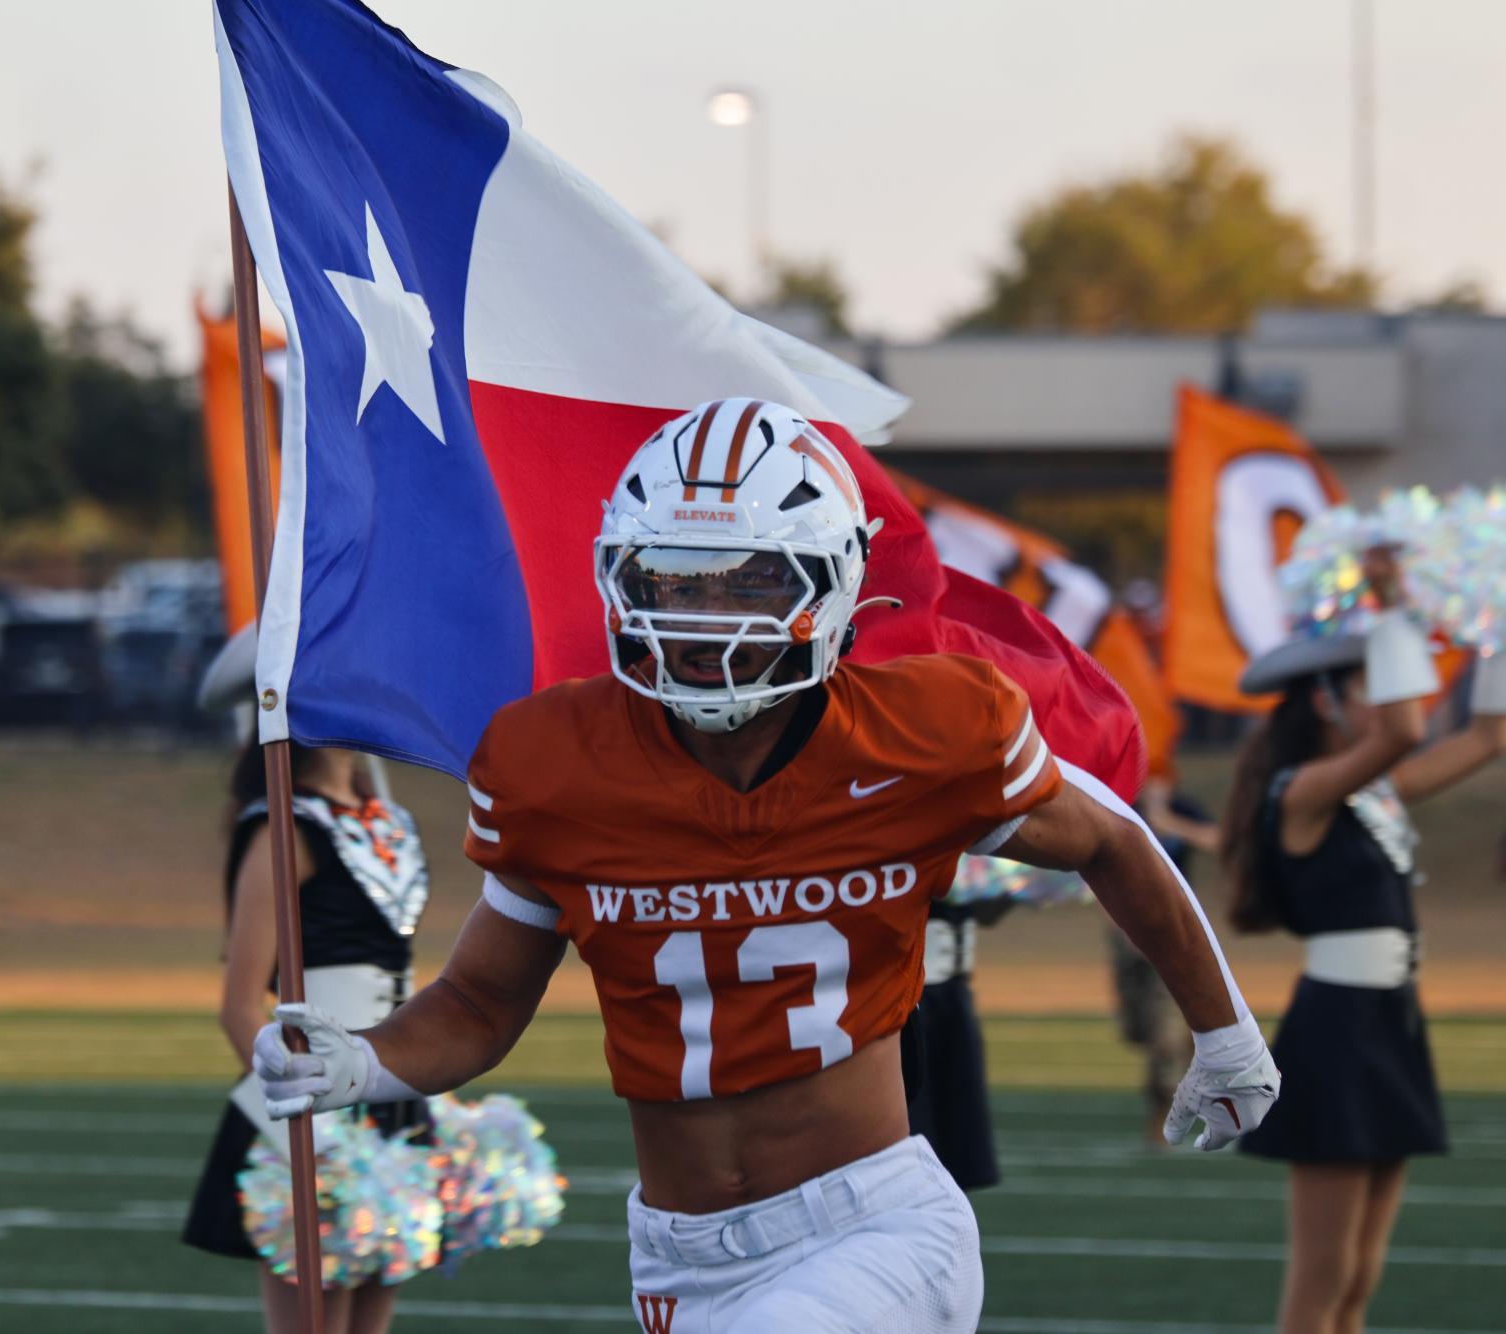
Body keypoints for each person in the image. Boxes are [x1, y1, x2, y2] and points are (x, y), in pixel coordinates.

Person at [255, 399, 1279, 1332]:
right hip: (677, 1250)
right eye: (673, 579)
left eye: (749, 580)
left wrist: (1224, 1031)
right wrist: (363, 1059)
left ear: (833, 583)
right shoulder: (555, 764)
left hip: (872, 1222)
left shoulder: (927, 729)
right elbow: (480, 1002)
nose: (707, 618)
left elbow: (1109, 836)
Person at [1223, 550, 1505, 1334]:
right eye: (1360, 686)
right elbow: (1404, 728)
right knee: (1321, 1278)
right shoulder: (1301, 794)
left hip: (1389, 1021)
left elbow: (1487, 736)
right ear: (1322, 705)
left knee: (1360, 1278)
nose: (1378, 700)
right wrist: (1387, 606)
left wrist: (1495, 627)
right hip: (1337, 1031)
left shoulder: (1372, 797)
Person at [183, 653, 433, 1334]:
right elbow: (239, 1004)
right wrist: (307, 1128)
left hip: (394, 1091)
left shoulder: (386, 819)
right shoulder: (282, 827)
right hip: (309, 1104)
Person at [1116, 777, 1219, 1141]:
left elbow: (1219, 841)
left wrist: (1168, 821)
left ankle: (1164, 1108)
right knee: (1137, 1027)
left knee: (1165, 1031)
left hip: (1174, 929)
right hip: (1125, 929)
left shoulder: (1182, 806)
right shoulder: (1121, 802)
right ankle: (1195, 1046)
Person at [902, 896, 1014, 1192]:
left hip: (954, 992)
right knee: (910, 1145)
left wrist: (1017, 886)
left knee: (959, 1150)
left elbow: (984, 911)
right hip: (907, 992)